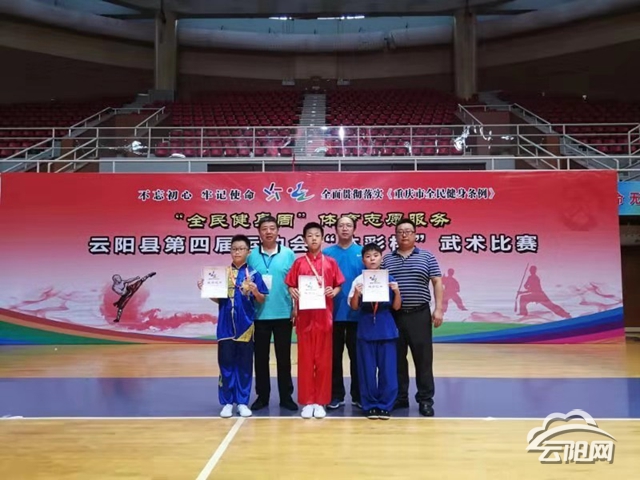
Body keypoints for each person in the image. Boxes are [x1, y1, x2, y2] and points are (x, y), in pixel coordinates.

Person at [197, 235, 268, 418]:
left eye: (241, 249)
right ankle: (227, 402)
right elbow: (218, 299)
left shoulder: (254, 274)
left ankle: (243, 402)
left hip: (246, 326)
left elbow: (262, 299)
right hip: (225, 326)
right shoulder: (221, 274)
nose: (237, 252)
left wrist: (254, 290)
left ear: (248, 252)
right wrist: (206, 289)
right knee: (226, 365)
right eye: (234, 248)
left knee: (244, 366)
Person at [381, 218, 443, 417]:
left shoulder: (427, 257)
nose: (404, 234)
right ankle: (401, 397)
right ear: (395, 236)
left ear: (415, 235)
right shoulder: (386, 259)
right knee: (397, 359)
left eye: (408, 231)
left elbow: (437, 282)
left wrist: (439, 309)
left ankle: (425, 400)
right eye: (400, 231)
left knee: (423, 360)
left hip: (419, 315)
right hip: (394, 316)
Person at [285, 222, 345, 419]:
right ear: (304, 239)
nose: (313, 238)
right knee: (305, 361)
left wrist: (333, 291)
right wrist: (292, 290)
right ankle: (307, 401)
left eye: (317, 235)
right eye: (309, 235)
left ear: (322, 238)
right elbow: (290, 284)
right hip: (304, 318)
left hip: (324, 318)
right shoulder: (299, 263)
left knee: (323, 362)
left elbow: (338, 285)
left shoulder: (330, 262)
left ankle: (321, 401)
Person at [247, 216, 298, 412]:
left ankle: (286, 397)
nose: (268, 232)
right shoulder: (252, 255)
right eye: (264, 228)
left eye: (272, 228)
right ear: (259, 233)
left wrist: (295, 306)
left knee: (284, 358)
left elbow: (295, 283)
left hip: (283, 313)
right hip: (259, 314)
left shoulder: (288, 254)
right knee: (260, 358)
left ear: (278, 231)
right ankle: (262, 396)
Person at [348, 243, 401, 420]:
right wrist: (357, 293)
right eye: (368, 256)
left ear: (381, 258)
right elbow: (354, 307)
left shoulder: (389, 278)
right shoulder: (358, 280)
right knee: (366, 371)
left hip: (386, 329)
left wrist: (397, 292)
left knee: (388, 370)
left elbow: (396, 307)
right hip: (366, 329)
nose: (372, 259)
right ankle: (370, 405)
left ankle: (385, 405)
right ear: (363, 260)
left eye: (375, 255)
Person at [323, 215, 363, 410]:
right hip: (333, 314)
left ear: (354, 229)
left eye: (348, 225)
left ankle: (359, 395)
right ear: (335, 229)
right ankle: (335, 395)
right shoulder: (327, 253)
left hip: (358, 314)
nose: (345, 228)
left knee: (358, 357)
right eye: (341, 225)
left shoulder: (363, 252)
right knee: (333, 357)